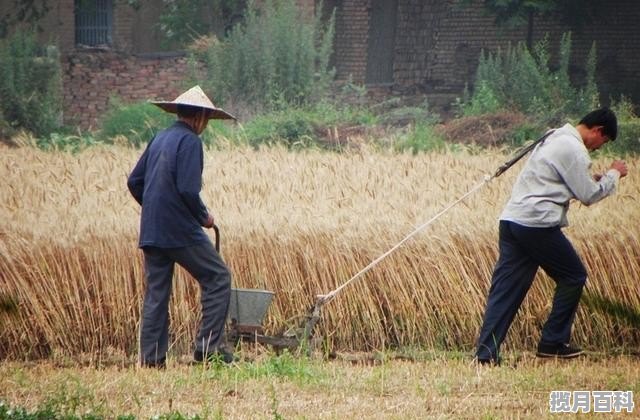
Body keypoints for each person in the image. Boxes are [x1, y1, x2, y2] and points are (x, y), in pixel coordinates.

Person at [475, 107, 628, 365]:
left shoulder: (554, 136)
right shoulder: (574, 148)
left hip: (513, 220)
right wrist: (613, 174)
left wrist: (589, 179)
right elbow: (589, 195)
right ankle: (552, 342)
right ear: (598, 131)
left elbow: (554, 180)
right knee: (573, 275)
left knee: (506, 289)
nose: (597, 149)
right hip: (537, 224)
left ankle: (485, 354)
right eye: (602, 143)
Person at [127, 85, 236, 368]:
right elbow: (188, 190)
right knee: (218, 277)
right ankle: (207, 347)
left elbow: (134, 182)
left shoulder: (160, 138)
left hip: (152, 229)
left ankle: (151, 360)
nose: (206, 126)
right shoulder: (190, 142)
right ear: (199, 116)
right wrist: (204, 218)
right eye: (207, 120)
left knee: (156, 295)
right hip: (180, 231)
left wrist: (155, 207)